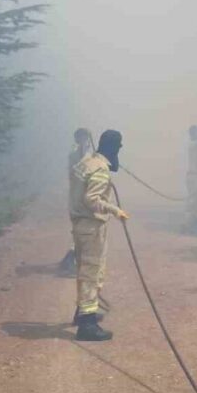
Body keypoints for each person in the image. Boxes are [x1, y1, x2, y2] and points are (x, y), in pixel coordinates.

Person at [69, 129, 131, 341]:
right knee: (92, 273)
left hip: (78, 224)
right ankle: (87, 324)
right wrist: (115, 210)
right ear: (113, 146)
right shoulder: (100, 169)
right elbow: (91, 198)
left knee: (83, 270)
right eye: (119, 145)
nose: (121, 148)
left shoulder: (87, 162)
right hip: (92, 225)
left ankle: (83, 311)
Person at [58, 128, 93, 277]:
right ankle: (70, 262)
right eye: (83, 138)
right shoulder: (75, 156)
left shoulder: (89, 155)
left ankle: (72, 260)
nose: (85, 141)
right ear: (78, 140)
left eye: (87, 138)